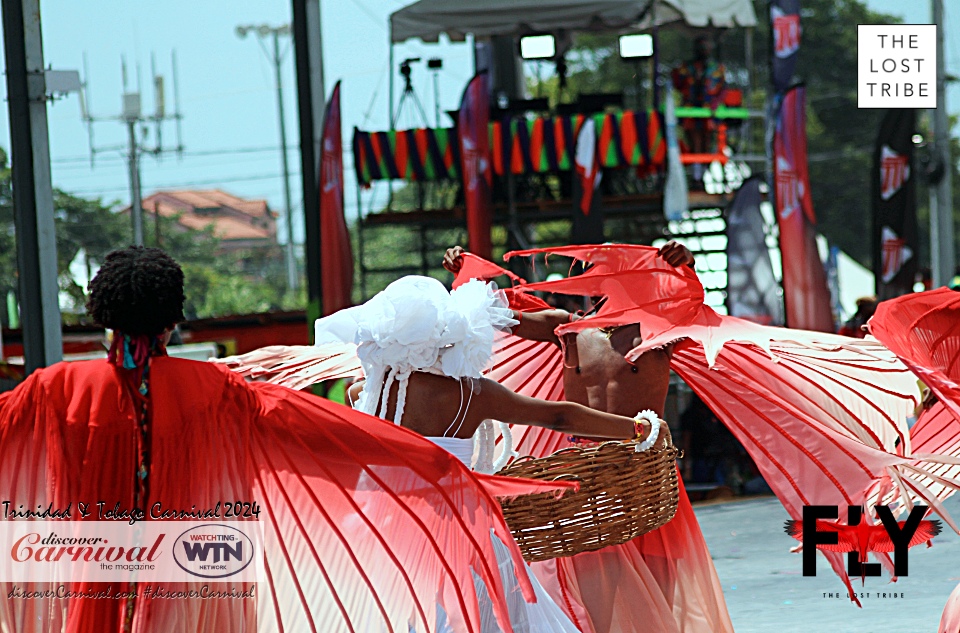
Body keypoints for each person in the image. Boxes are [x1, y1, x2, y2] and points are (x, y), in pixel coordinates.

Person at [0, 247, 579, 633]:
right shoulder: (213, 387)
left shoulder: (54, 387)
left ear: (104, 317)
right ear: (172, 320)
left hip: (97, 567)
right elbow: (324, 429)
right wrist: (429, 460)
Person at [316, 274, 665, 633]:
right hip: (463, 532)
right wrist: (640, 428)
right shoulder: (471, 395)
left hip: (384, 530)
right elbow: (559, 415)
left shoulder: (362, 392)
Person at [443, 243, 734, 633]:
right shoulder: (566, 329)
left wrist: (687, 268)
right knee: (595, 597)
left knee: (660, 589)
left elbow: (698, 312)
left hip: (645, 476)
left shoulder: (660, 331)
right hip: (588, 481)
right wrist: (467, 276)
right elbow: (494, 316)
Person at [671, 35, 726, 155]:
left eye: (706, 47)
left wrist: (715, 104)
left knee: (707, 142)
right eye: (701, 47)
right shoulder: (686, 67)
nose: (703, 50)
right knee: (693, 142)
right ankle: (696, 169)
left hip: (709, 112)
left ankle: (705, 167)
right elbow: (677, 84)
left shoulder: (716, 68)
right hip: (690, 110)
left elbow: (722, 89)